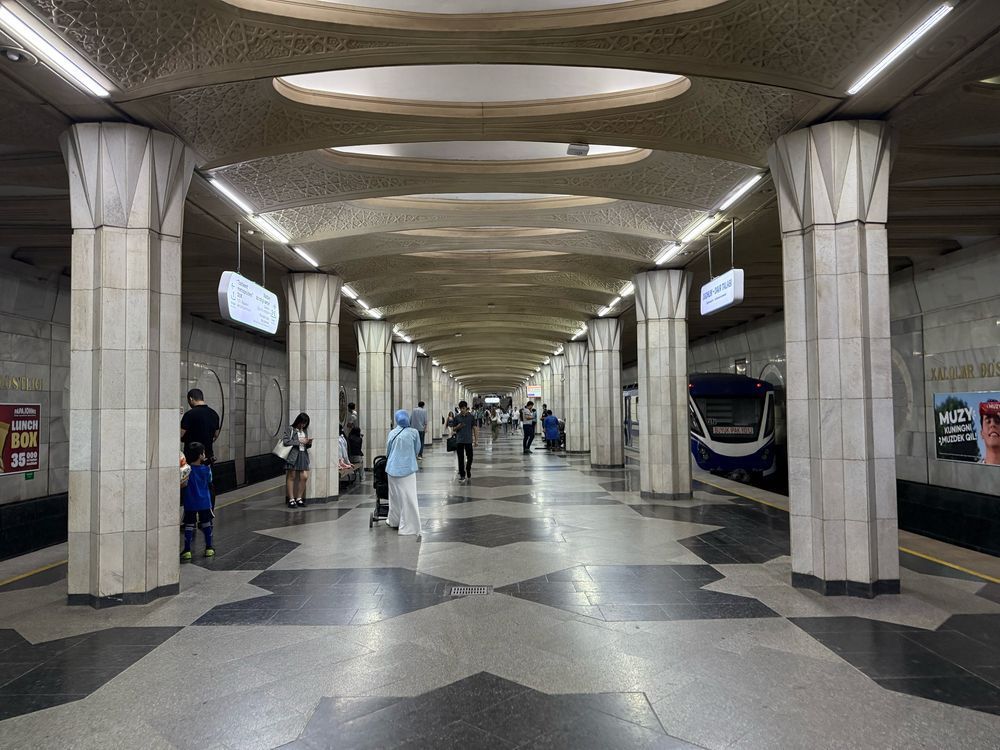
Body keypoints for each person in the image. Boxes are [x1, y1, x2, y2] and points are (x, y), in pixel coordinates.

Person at [180, 388, 220, 506]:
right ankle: (208, 513)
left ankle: (190, 517)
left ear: (191, 399)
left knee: (190, 487)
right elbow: (216, 435)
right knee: (208, 485)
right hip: (207, 457)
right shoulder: (214, 414)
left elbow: (180, 434)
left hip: (191, 459)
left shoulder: (189, 415)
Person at [385, 409, 422, 536]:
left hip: (391, 469)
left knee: (394, 497)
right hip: (408, 470)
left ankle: (394, 521)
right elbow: (417, 449)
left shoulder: (392, 433)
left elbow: (388, 451)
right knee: (409, 498)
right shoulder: (414, 432)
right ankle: (408, 526)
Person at [180, 442, 214, 561]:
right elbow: (210, 481)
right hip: (204, 501)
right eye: (203, 453)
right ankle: (209, 548)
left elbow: (183, 483)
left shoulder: (187, 469)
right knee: (206, 523)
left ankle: (187, 550)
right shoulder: (206, 469)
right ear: (200, 456)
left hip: (190, 501)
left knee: (189, 525)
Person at [282, 412, 312, 508]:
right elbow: (286, 441)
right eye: (302, 422)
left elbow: (305, 445)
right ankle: (291, 499)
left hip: (303, 454)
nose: (303, 425)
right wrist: (299, 441)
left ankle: (299, 498)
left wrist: (308, 443)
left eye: (305, 423)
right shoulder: (290, 429)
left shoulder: (304, 430)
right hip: (294, 455)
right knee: (292, 476)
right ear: (298, 421)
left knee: (304, 477)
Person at [449, 400, 478, 481]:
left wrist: (476, 440)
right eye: (461, 408)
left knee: (470, 457)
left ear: (466, 408)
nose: (462, 410)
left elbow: (475, 428)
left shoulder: (471, 417)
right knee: (460, 458)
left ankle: (468, 469)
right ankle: (462, 474)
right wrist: (458, 426)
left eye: (463, 408)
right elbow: (453, 429)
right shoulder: (457, 417)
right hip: (459, 441)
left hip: (468, 440)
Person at [979, 399, 1000, 465]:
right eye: (988, 421)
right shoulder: (972, 472)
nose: (992, 424)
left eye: (998, 421)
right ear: (981, 433)